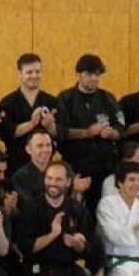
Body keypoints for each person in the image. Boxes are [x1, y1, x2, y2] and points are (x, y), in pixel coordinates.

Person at [14, 161, 97, 276]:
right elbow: (25, 248)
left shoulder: (77, 210)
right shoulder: (31, 208)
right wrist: (52, 235)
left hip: (67, 266)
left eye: (58, 179)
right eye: (49, 178)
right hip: (39, 265)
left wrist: (77, 244)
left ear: (68, 182)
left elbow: (88, 248)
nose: (53, 183)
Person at [55, 53, 124, 214]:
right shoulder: (65, 99)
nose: (93, 78)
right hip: (74, 164)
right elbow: (60, 131)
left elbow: (121, 128)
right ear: (78, 74)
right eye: (89, 74)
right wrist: (87, 133)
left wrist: (112, 133)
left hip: (104, 166)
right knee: (73, 210)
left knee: (102, 210)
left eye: (97, 74)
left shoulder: (108, 98)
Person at [0, 53, 59, 174]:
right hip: (16, 163)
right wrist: (32, 123)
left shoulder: (51, 101)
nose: (34, 76)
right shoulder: (8, 102)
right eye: (29, 72)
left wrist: (50, 126)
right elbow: (5, 133)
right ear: (19, 74)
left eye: (37, 71)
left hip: (46, 166)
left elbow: (60, 134)